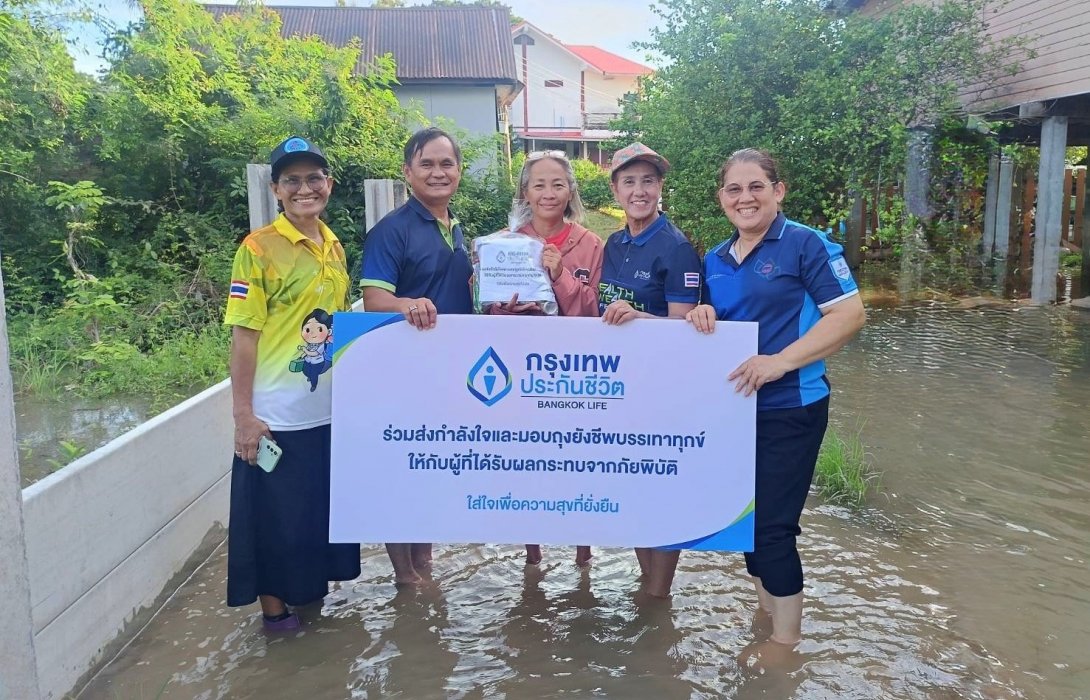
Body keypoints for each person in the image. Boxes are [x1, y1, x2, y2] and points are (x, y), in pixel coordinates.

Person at [686, 148, 866, 647]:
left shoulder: (807, 245)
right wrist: (702, 315)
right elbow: (723, 324)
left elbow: (849, 316)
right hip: (738, 409)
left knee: (772, 531)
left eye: (756, 187)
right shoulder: (716, 259)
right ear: (722, 198)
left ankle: (786, 650)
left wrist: (781, 362)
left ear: (778, 191)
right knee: (748, 532)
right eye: (734, 189)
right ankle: (766, 621)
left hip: (793, 405)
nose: (745, 198)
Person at [225, 136, 361, 630]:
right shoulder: (258, 248)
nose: (305, 188)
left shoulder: (333, 245)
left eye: (313, 178)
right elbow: (245, 336)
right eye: (292, 180)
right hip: (276, 413)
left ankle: (309, 605)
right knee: (274, 520)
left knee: (312, 517)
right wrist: (244, 416)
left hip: (325, 409)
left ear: (328, 184)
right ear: (277, 190)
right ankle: (275, 616)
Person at [359, 127, 473, 585]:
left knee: (431, 467)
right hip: (403, 373)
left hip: (448, 373)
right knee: (401, 468)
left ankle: (423, 563)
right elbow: (372, 300)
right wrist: (407, 304)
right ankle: (404, 575)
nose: (438, 172)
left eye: (447, 163)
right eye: (427, 163)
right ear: (407, 172)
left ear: (459, 171)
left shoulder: (457, 229)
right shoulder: (391, 231)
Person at [485, 150, 603, 566]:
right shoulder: (504, 244)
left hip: (574, 374)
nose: (549, 193)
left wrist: (560, 276)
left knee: (579, 462)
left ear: (571, 191)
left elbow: (595, 310)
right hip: (521, 375)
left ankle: (583, 555)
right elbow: (486, 311)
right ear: (525, 191)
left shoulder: (590, 245)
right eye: (539, 184)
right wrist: (505, 307)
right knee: (527, 463)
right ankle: (532, 555)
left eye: (558, 184)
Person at [598, 142, 702, 598]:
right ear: (616, 190)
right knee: (632, 486)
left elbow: (685, 329)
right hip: (619, 388)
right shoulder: (614, 243)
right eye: (629, 182)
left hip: (662, 391)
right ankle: (647, 584)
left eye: (648, 181)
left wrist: (642, 319)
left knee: (660, 487)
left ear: (660, 188)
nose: (639, 191)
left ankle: (659, 594)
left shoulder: (676, 248)